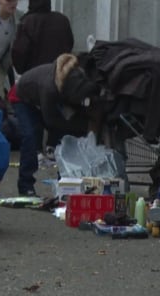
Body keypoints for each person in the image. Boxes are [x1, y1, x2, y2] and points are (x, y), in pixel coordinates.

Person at [12, 53, 100, 196]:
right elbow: (51, 121)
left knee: (67, 135)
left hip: (44, 98)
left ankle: (66, 182)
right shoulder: (50, 88)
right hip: (21, 97)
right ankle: (25, 185)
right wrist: (83, 126)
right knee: (31, 136)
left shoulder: (77, 79)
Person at [11, 0, 75, 160]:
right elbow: (70, 45)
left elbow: (19, 53)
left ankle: (37, 150)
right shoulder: (62, 20)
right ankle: (54, 146)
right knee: (57, 113)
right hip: (59, 78)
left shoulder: (27, 22)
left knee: (35, 118)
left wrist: (23, 71)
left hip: (34, 80)